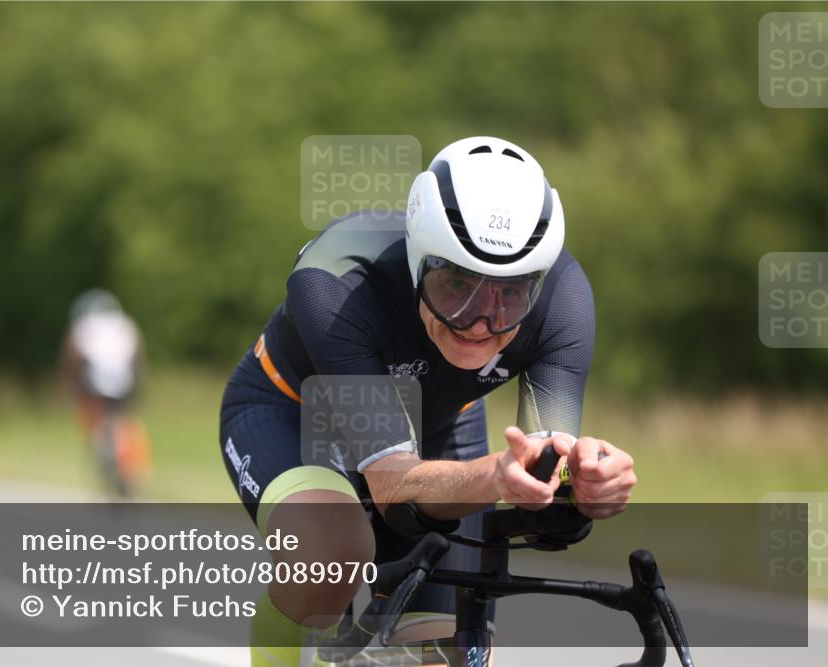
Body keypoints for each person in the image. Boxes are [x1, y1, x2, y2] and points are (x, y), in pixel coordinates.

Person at [219, 137, 637, 666]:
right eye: (455, 285)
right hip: (292, 413)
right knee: (330, 550)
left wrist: (581, 483)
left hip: (439, 427)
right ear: (419, 261)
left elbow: (543, 482)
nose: (479, 322)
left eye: (509, 294)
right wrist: (496, 476)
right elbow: (392, 485)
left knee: (445, 652)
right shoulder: (337, 276)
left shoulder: (563, 299)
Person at [61, 289, 149, 494]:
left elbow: (72, 357)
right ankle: (132, 466)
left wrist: (71, 387)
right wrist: (139, 385)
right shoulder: (125, 323)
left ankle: (104, 452)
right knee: (124, 420)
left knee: (95, 420)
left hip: (95, 379)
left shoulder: (83, 326)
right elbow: (138, 355)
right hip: (124, 377)